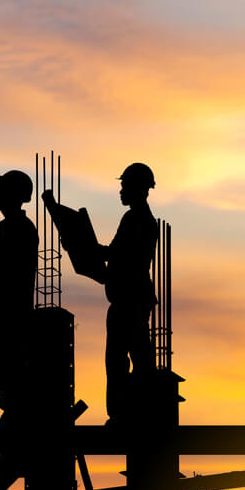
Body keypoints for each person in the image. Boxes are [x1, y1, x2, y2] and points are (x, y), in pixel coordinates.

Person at [99, 163, 158, 425]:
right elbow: (117, 255)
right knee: (133, 357)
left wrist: (87, 248)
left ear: (138, 188)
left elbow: (119, 256)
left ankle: (125, 414)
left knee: (122, 360)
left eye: (125, 186)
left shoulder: (137, 220)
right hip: (131, 298)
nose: (121, 191)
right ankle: (137, 412)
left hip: (129, 301)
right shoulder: (138, 219)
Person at [0, 171, 38, 428]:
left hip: (9, 315)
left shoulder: (18, 229)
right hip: (3, 311)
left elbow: (6, 273)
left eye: (0, 189)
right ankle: (13, 416)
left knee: (9, 370)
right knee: (4, 371)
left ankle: (15, 424)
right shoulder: (12, 227)